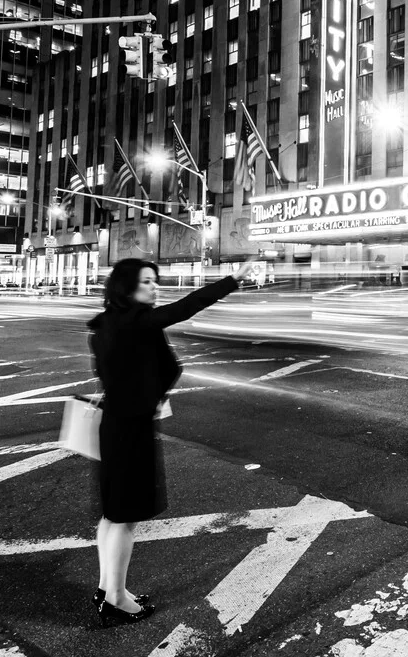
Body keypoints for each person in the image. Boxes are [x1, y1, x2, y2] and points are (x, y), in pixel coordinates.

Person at [87, 258, 253, 627]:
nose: (154, 287)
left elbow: (115, 373)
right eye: (147, 282)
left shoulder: (106, 324)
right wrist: (231, 280)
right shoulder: (138, 323)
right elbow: (186, 307)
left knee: (113, 513)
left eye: (155, 281)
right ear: (127, 287)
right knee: (125, 518)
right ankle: (114, 600)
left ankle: (109, 587)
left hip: (115, 423)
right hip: (131, 429)